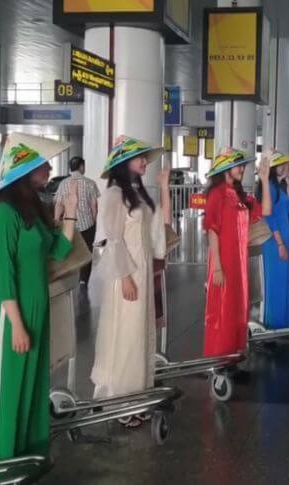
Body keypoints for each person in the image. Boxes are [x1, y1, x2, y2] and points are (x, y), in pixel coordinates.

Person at [0, 134, 78, 461]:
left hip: (38, 307)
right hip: (14, 313)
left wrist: (70, 215)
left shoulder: (33, 207)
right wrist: (17, 326)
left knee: (33, 388)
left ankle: (27, 459)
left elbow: (59, 251)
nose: (50, 168)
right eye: (43, 164)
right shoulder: (4, 213)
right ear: (24, 168)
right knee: (9, 391)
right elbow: (6, 277)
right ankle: (1, 467)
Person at [89, 136, 169, 428]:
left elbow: (157, 228)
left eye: (145, 158)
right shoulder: (113, 195)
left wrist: (163, 187)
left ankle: (137, 394)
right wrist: (124, 277)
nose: (145, 162)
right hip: (127, 273)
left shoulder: (140, 194)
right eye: (140, 158)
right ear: (124, 162)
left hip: (143, 271)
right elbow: (113, 237)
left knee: (140, 332)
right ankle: (121, 398)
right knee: (125, 332)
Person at [203, 148, 272, 357]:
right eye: (238, 165)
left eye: (242, 165)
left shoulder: (241, 196)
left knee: (236, 310)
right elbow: (212, 230)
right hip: (222, 261)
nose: (242, 168)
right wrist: (216, 267)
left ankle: (232, 358)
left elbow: (266, 211)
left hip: (239, 264)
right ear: (226, 168)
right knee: (221, 311)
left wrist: (265, 180)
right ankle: (219, 361)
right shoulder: (217, 194)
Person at [257, 150, 289, 329]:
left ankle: (281, 321)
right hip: (274, 240)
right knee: (275, 282)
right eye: (281, 165)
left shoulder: (279, 187)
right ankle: (273, 323)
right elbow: (269, 217)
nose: (285, 167)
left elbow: (287, 210)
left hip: (283, 237)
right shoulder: (270, 187)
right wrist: (280, 243)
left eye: (286, 164)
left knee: (282, 280)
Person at [54, 156, 100, 285]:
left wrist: (56, 220)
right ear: (81, 167)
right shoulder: (90, 183)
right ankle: (83, 280)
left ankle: (67, 278)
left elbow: (59, 204)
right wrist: (95, 222)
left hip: (70, 225)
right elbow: (94, 206)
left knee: (69, 250)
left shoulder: (63, 183)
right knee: (87, 253)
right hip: (88, 225)